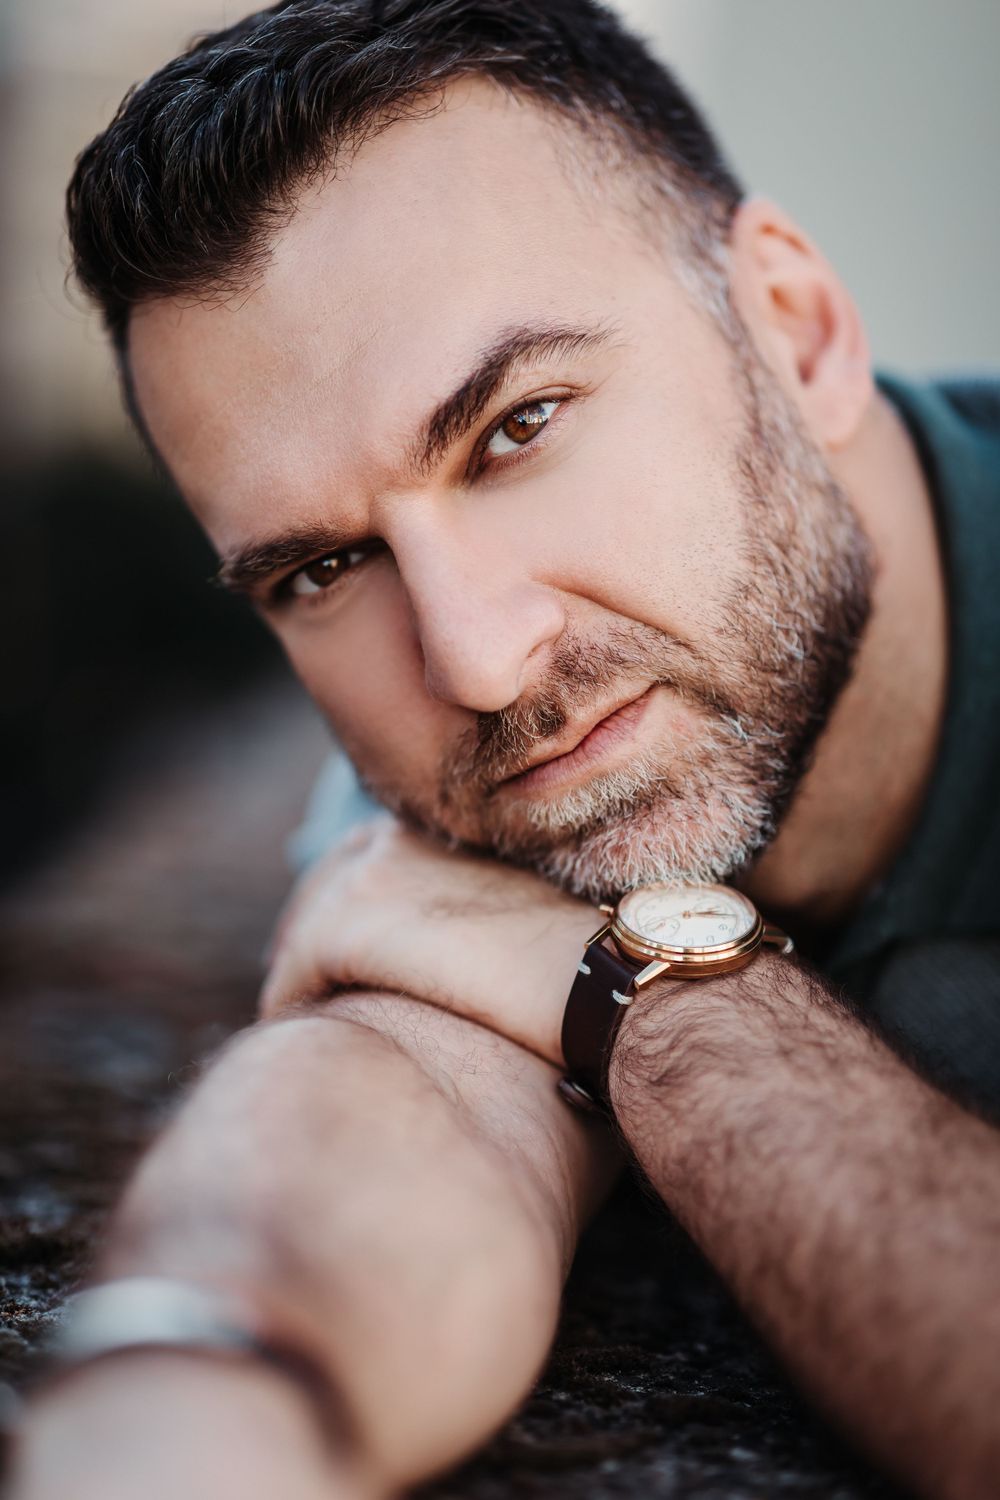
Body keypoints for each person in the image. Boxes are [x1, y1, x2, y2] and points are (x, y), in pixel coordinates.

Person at [11, 3, 1000, 1497]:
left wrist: (656, 998)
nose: (474, 663)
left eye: (519, 427)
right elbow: (396, 1106)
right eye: (323, 570)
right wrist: (177, 1405)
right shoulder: (502, 760)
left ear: (796, 329)